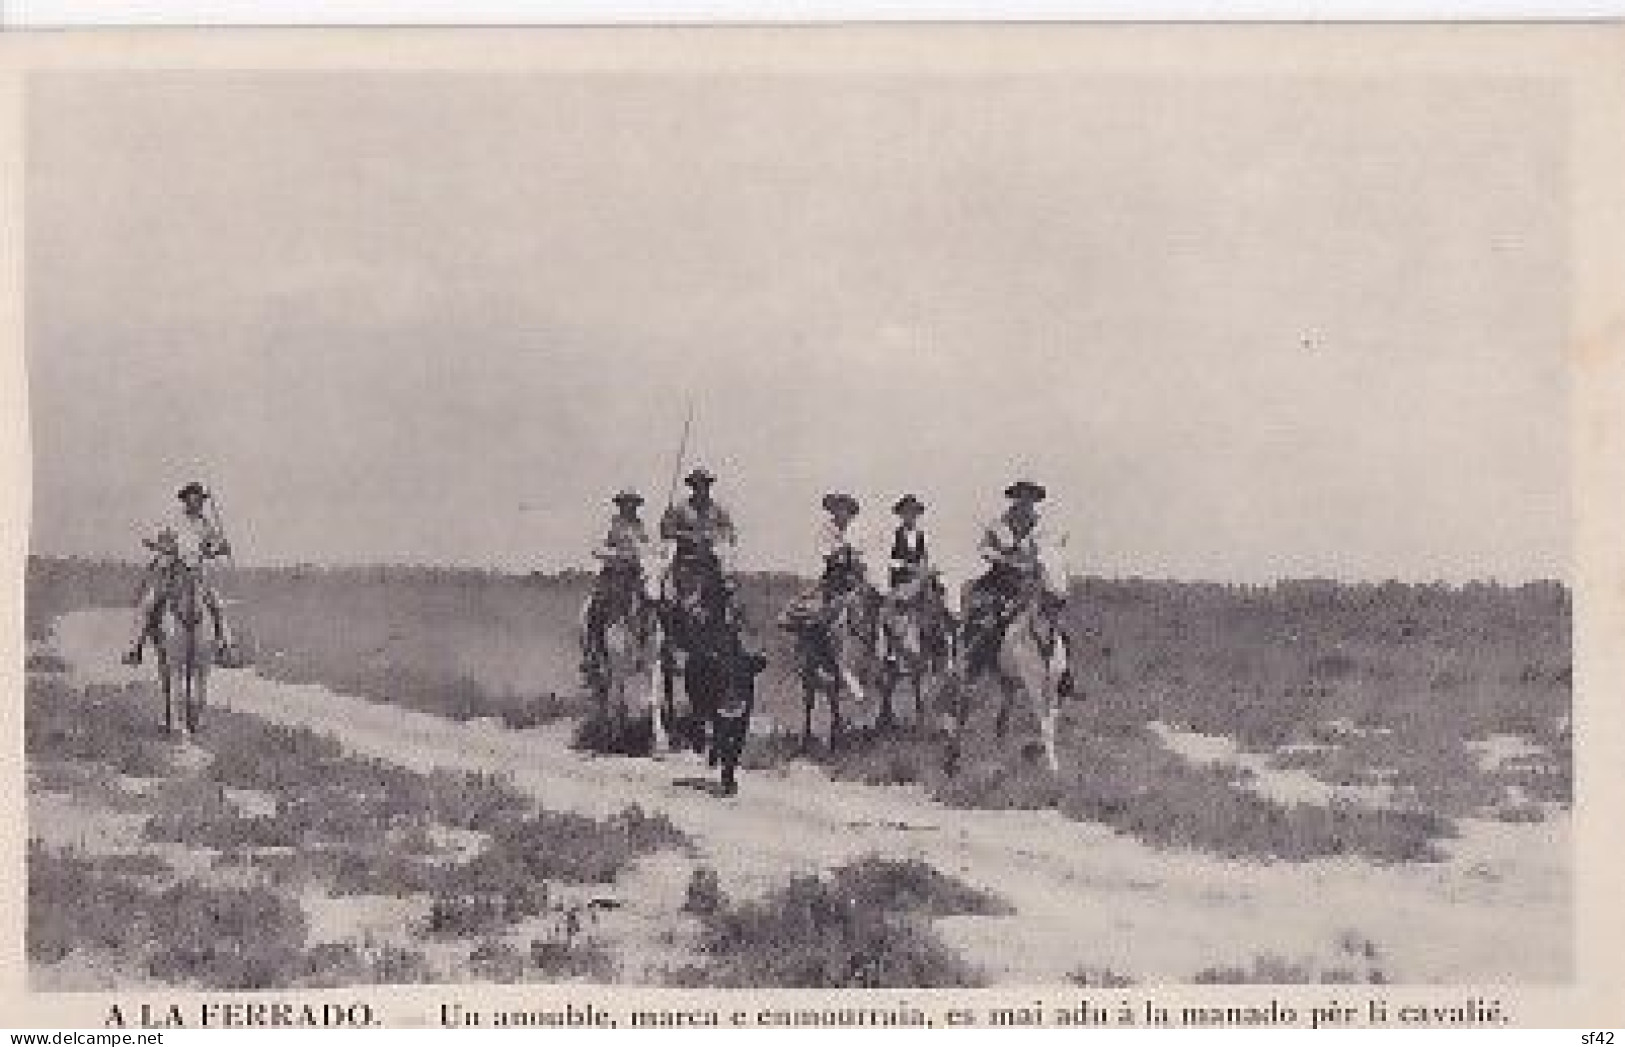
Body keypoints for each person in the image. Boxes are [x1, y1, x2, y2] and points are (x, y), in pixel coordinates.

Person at [960, 480, 1075, 694]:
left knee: (1058, 627)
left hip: (1030, 583)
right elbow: (983, 548)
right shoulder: (999, 525)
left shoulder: (1041, 528)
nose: (1026, 502)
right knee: (987, 623)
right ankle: (973, 671)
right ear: (1015, 499)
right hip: (1000, 582)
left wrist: (1034, 562)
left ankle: (1064, 678)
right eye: (1022, 497)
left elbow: (1047, 553)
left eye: (1030, 498)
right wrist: (1002, 557)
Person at [123, 481, 238, 666]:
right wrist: (163, 546)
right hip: (173, 570)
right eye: (195, 498)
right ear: (186, 499)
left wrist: (221, 548)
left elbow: (212, 546)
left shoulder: (205, 523)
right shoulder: (173, 521)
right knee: (148, 603)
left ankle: (226, 646)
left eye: (201, 499)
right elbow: (148, 538)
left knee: (217, 603)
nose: (199, 502)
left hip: (197, 574)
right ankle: (134, 648)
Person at [580, 489, 656, 680]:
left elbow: (649, 549)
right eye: (626, 503)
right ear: (620, 505)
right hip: (612, 576)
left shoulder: (641, 527)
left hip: (635, 576)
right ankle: (593, 654)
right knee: (596, 609)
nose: (630, 507)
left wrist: (646, 555)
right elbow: (596, 549)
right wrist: (616, 554)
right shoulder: (610, 525)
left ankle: (652, 650)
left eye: (633, 504)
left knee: (654, 601)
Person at [659, 467, 742, 618]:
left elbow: (730, 532)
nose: (701, 489)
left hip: (710, 557)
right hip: (685, 557)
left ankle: (732, 614)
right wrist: (686, 535)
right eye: (697, 485)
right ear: (692, 487)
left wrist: (714, 536)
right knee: (664, 586)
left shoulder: (718, 510)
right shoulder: (680, 508)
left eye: (704, 485)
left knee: (728, 572)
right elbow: (667, 532)